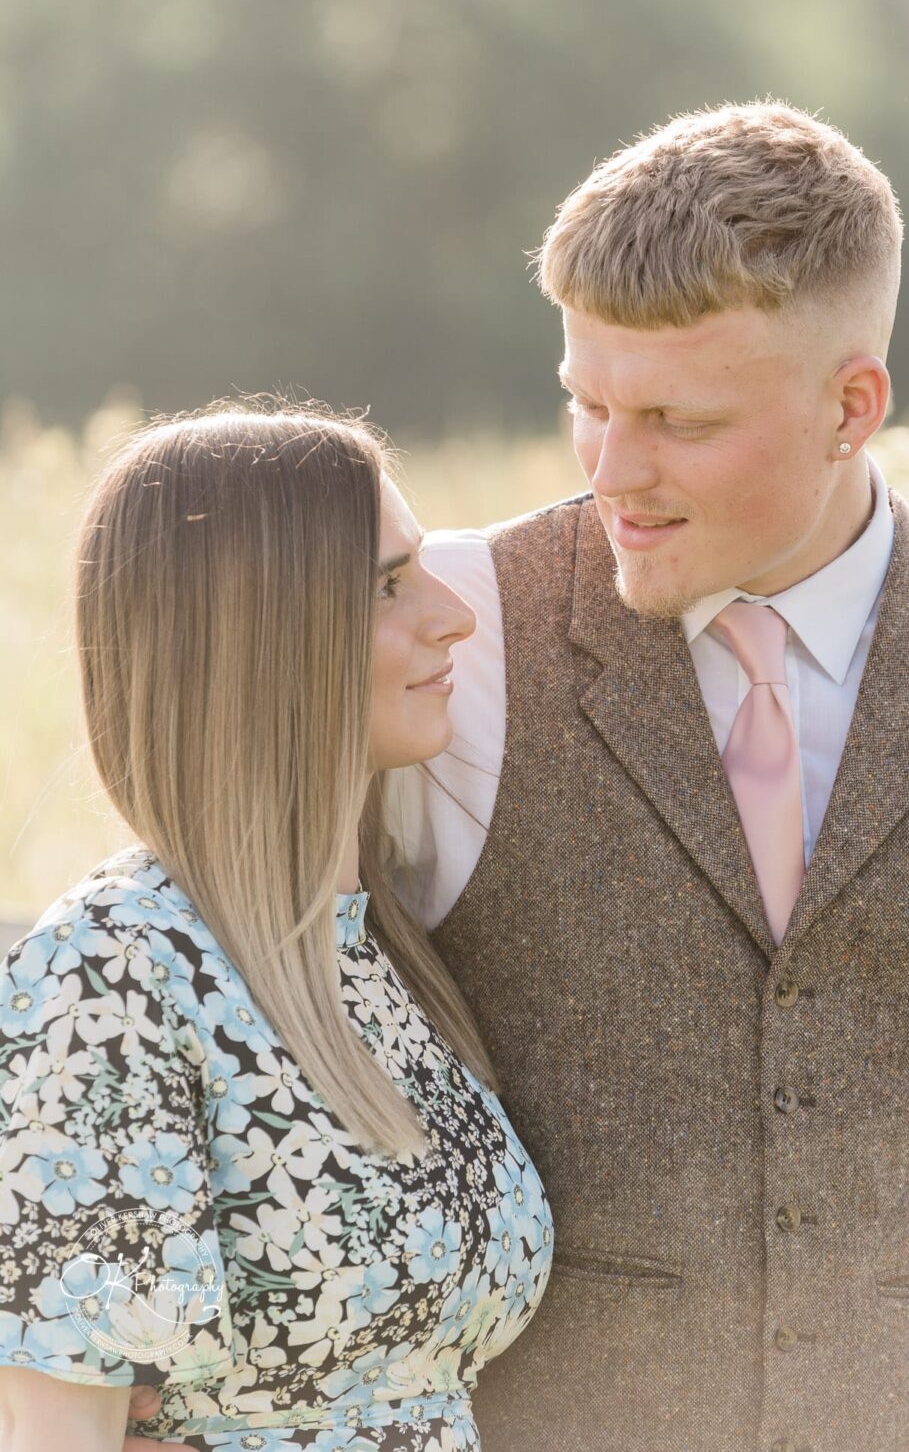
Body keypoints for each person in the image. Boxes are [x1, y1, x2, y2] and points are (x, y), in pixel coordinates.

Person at [383, 101, 909, 1449]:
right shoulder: (443, 638)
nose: (612, 471)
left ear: (854, 406)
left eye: (675, 418)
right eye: (584, 405)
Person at [0, 404, 554, 1452]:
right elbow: (53, 1431)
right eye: (387, 586)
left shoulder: (378, 956)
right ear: (260, 634)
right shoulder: (114, 976)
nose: (453, 618)